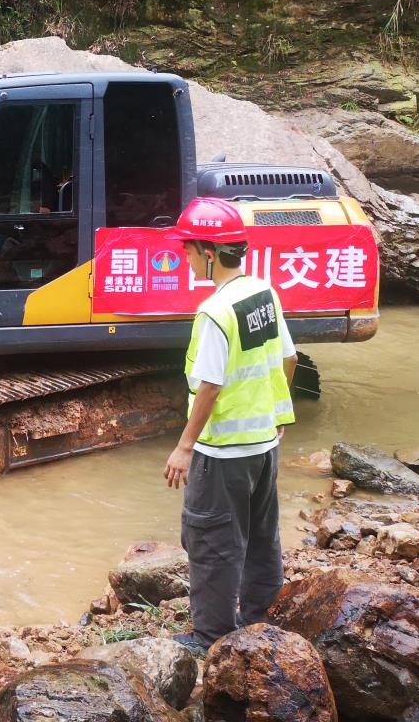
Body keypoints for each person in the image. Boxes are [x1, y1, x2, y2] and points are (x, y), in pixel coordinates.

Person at [163, 197, 297, 656]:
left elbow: (210, 387)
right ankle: (259, 617)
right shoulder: (263, 292)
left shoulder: (215, 312)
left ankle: (212, 639)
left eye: (188, 248)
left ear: (210, 251)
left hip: (222, 453)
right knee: (262, 533)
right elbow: (289, 359)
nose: (184, 255)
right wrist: (275, 414)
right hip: (264, 444)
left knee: (212, 541)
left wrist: (184, 446)